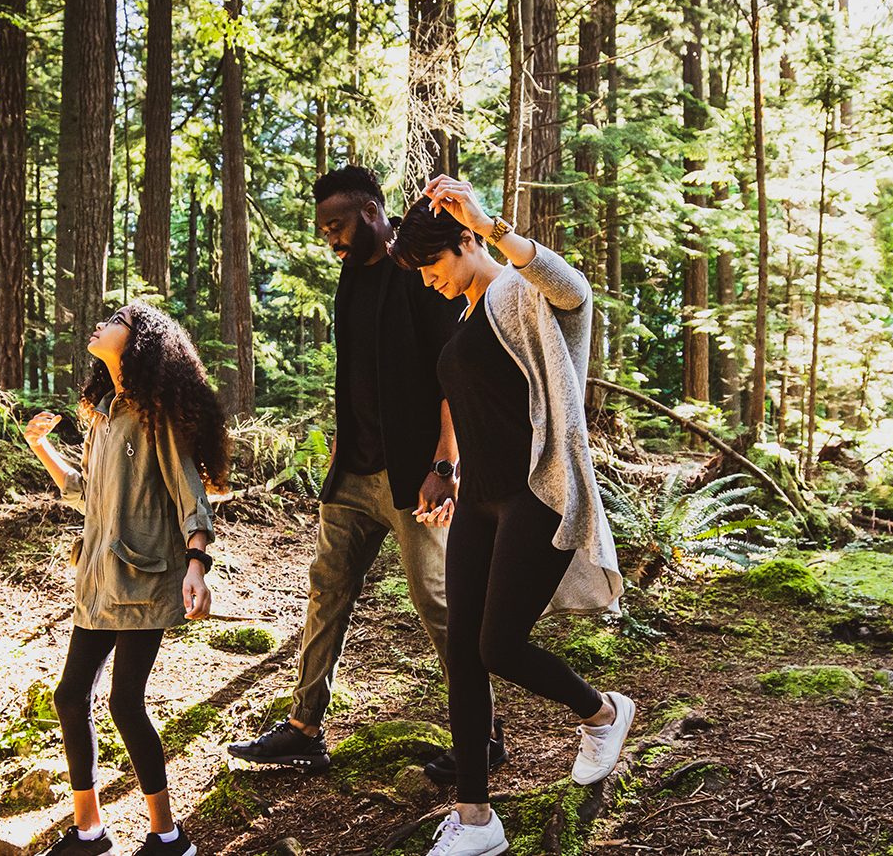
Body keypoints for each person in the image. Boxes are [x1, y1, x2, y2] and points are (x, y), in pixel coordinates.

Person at [226, 167, 505, 783]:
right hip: (353, 472)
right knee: (327, 589)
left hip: (415, 475)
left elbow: (450, 373)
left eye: (338, 225)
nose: (331, 239)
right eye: (324, 229)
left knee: (438, 603)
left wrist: (445, 462)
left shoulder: (419, 270)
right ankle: (303, 728)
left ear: (373, 211)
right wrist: (340, 450)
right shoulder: (351, 277)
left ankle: (482, 736)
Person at [392, 174, 630, 856]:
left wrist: (495, 224)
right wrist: (448, 475)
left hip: (537, 494)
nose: (428, 280)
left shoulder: (521, 294)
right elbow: (483, 412)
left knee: (498, 645)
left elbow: (576, 291)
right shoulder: (469, 312)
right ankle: (475, 818)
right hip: (480, 501)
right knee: (463, 654)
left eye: (432, 264)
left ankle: (603, 711)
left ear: (465, 239)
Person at [22, 303, 232, 856]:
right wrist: (41, 445)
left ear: (138, 340)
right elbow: (84, 489)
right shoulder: (107, 412)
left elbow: (191, 493)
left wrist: (197, 565)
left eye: (115, 317)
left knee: (124, 703)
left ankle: (168, 837)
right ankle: (90, 832)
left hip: (144, 579)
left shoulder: (153, 414)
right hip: (96, 580)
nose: (99, 322)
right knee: (70, 696)